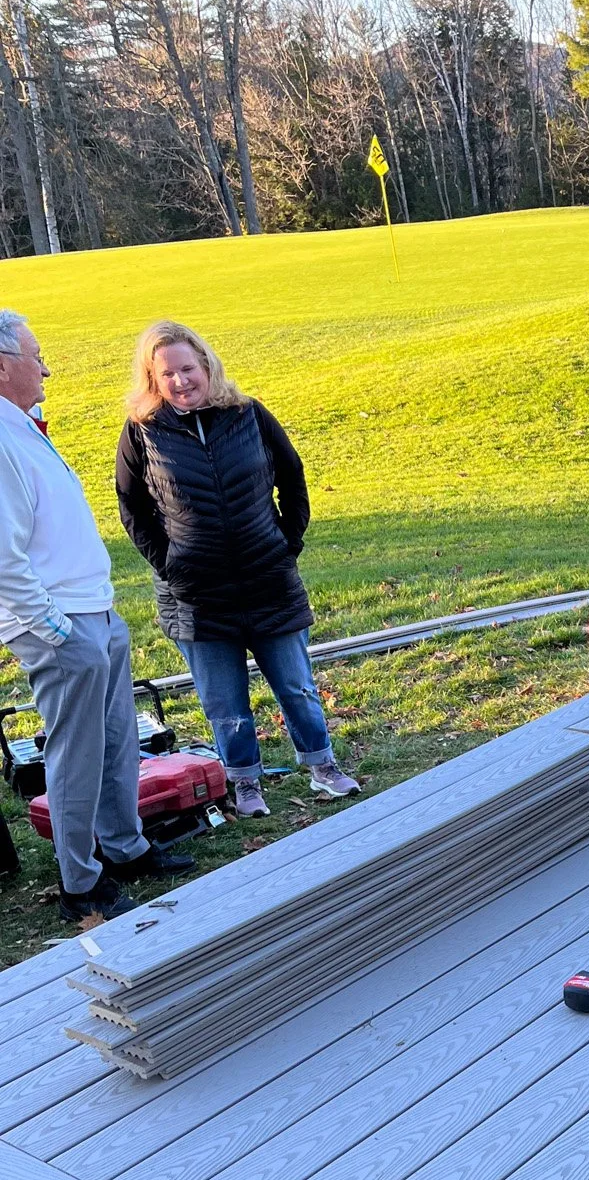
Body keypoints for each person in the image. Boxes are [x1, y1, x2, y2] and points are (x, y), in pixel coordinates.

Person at [115, 320, 360, 819]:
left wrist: (286, 544)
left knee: (296, 687)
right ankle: (244, 782)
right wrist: (170, 565)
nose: (181, 381)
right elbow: (131, 506)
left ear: (206, 365)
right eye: (168, 374)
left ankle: (323, 766)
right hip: (197, 597)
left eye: (188, 368)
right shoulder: (142, 432)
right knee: (225, 705)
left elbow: (292, 476)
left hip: (268, 582)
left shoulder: (248, 414)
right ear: (152, 379)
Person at [0, 310, 189, 923]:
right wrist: (54, 629)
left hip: (93, 613)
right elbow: (4, 557)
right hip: (61, 624)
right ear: (4, 368)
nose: (46, 366)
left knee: (116, 740)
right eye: (36, 355)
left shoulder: (22, 428)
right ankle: (81, 883)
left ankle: (127, 848)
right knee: (76, 756)